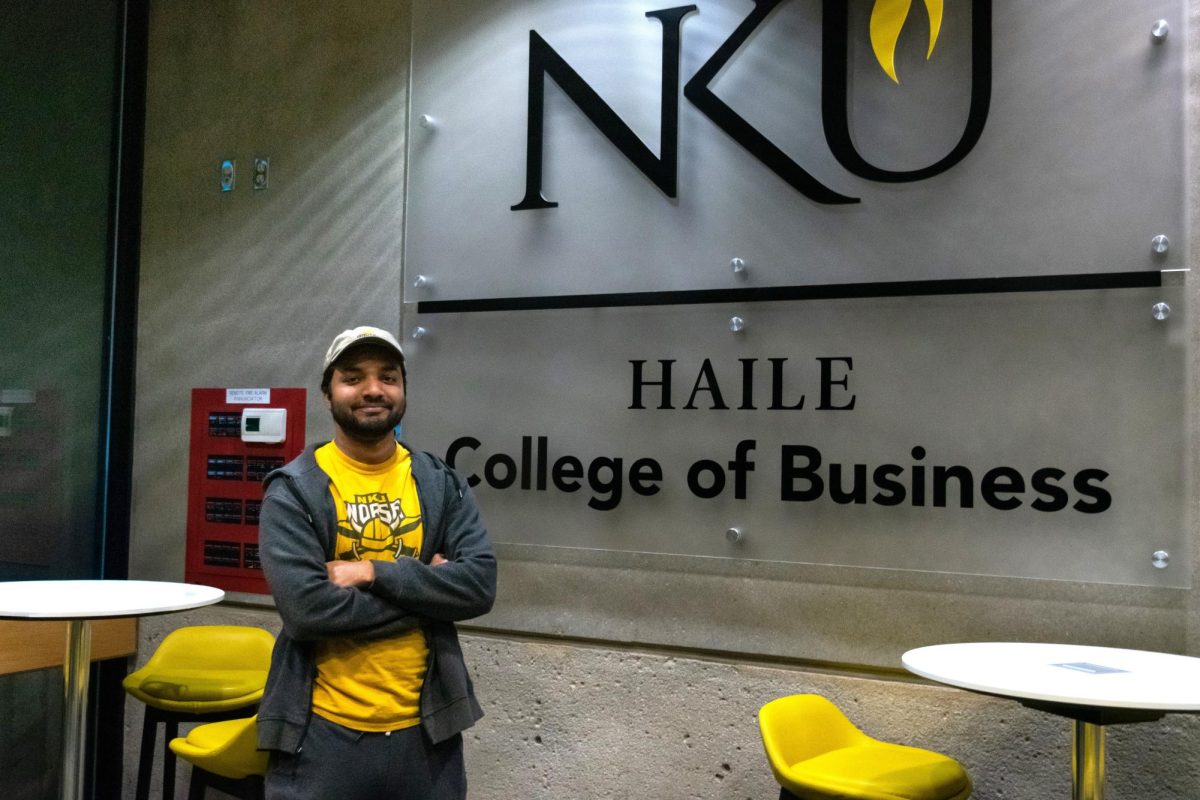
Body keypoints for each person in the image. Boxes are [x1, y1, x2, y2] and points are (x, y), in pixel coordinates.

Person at [256, 325, 497, 800]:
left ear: (403, 389)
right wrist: (430, 589)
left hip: (429, 734)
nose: (372, 389)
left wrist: (372, 572)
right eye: (353, 377)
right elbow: (308, 612)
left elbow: (479, 586)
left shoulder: (440, 482)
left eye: (388, 376)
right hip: (322, 733)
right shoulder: (293, 490)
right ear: (327, 393)